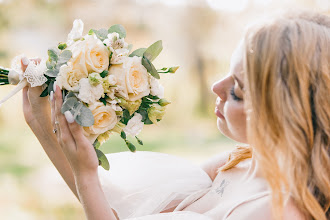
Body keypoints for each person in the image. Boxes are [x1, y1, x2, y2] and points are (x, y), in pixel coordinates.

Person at [21, 10, 329, 220]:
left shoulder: (277, 211)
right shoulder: (236, 163)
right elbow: (116, 210)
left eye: (238, 90)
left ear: (287, 113)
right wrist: (43, 125)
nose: (216, 86)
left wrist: (87, 176)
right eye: (228, 73)